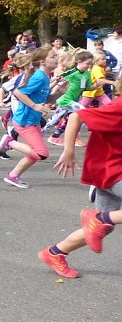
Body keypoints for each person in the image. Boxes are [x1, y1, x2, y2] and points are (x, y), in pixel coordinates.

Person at [38, 75, 122, 278]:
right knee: (103, 221)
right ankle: (100, 218)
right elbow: (77, 116)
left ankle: (54, 253)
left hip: (109, 171)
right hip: (111, 172)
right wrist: (68, 150)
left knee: (102, 228)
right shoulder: (118, 108)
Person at [0, 46, 60, 189]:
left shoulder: (44, 77)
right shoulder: (39, 77)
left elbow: (45, 98)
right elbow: (18, 93)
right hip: (25, 121)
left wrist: (59, 93)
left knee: (34, 153)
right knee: (42, 153)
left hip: (33, 120)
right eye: (52, 56)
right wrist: (34, 106)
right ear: (42, 61)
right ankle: (9, 142)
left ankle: (12, 176)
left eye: (56, 56)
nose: (56, 59)